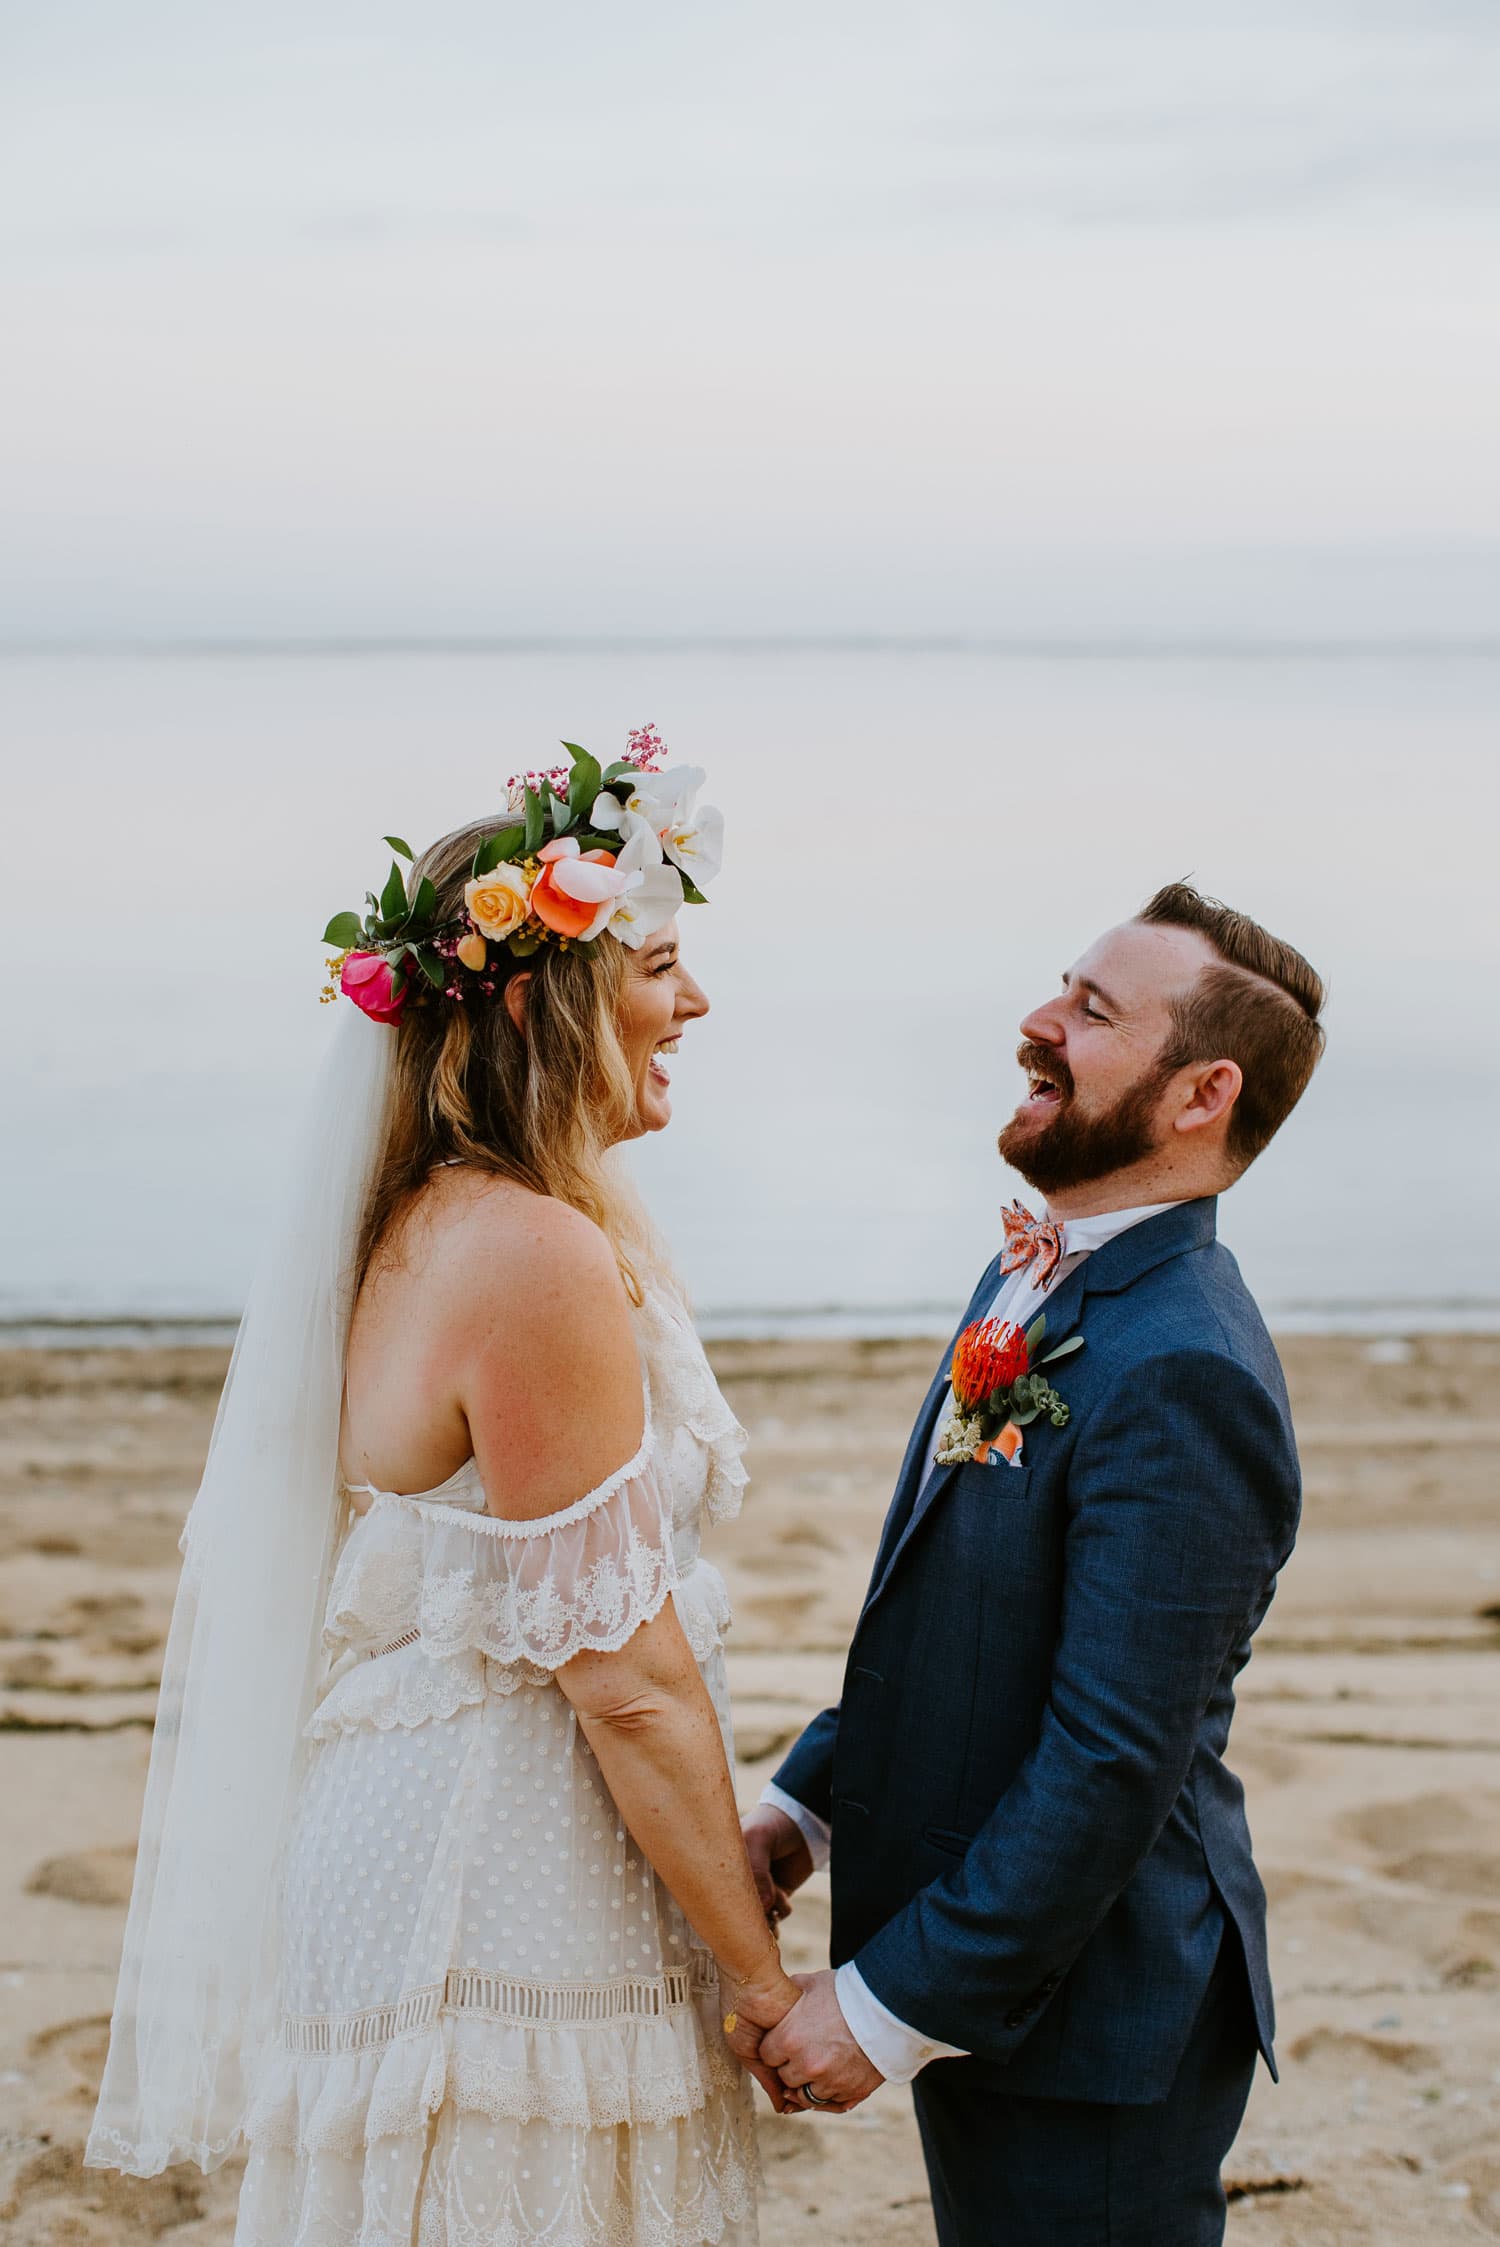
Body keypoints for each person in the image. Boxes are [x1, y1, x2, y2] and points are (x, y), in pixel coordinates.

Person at [87, 734, 801, 2246]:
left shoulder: (439, 1217)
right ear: (559, 996)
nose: (697, 1002)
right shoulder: (532, 1256)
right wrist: (757, 1976)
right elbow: (625, 1677)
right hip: (490, 1873)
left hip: (456, 1839)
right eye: (662, 965)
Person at [742, 882, 1326, 2246]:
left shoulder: (1187, 1370)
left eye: (1090, 1010)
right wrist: (810, 1809)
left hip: (1094, 2016)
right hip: (1005, 1964)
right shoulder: (1040, 1275)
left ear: (1202, 1093)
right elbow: (959, 1612)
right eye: (1062, 988)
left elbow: (1112, 1755)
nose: (1037, 1022)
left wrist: (890, 2009)